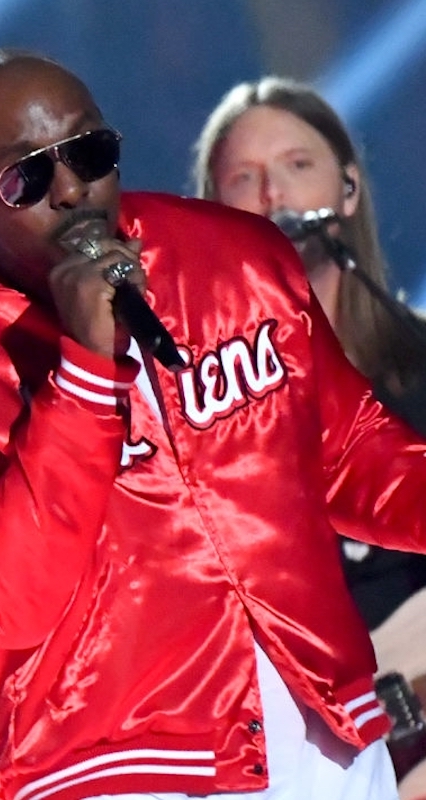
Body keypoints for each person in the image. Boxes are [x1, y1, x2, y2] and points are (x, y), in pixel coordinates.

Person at [0, 49, 426, 800]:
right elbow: (0, 597)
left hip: (325, 739)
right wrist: (85, 369)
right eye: (26, 176)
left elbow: (346, 452)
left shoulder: (231, 257)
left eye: (89, 152)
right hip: (114, 768)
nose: (72, 189)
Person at [194, 75, 426, 796]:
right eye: (245, 178)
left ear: (348, 190)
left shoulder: (420, 369)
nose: (274, 196)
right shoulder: (190, 418)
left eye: (298, 166)